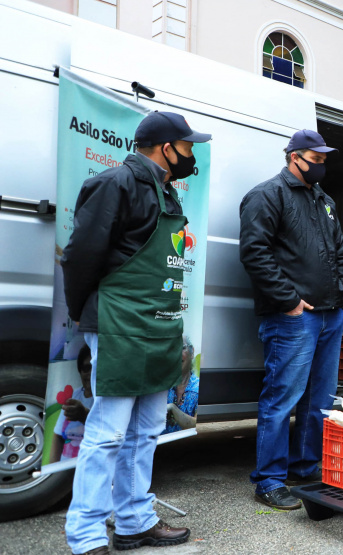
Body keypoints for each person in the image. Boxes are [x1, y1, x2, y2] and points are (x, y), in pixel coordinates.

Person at [61, 111, 210, 554]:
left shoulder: (165, 191)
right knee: (107, 432)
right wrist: (87, 314)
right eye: (186, 146)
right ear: (165, 148)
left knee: (146, 431)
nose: (190, 154)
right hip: (120, 325)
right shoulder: (115, 184)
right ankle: (85, 534)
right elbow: (81, 255)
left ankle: (133, 522)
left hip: (158, 326)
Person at [239, 129, 343, 511]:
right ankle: (269, 479)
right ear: (294, 157)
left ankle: (305, 465)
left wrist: (341, 299)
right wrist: (288, 301)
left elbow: (340, 253)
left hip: (329, 316)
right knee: (282, 397)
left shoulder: (324, 200)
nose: (321, 165)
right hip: (293, 319)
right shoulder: (267, 195)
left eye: (323, 159)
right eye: (315, 159)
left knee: (319, 400)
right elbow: (255, 253)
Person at [49, 345, 94, 463]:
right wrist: (52, 469)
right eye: (86, 368)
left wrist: (84, 416)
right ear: (80, 372)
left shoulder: (107, 399)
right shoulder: (74, 395)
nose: (90, 374)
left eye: (95, 368)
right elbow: (58, 436)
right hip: (65, 465)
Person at [164, 337, 199, 434]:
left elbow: (199, 424)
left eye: (182, 348)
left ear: (192, 353)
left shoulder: (200, 388)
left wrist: (173, 409)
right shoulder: (162, 386)